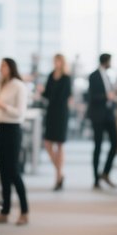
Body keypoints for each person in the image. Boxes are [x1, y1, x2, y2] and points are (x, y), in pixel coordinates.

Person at [0, 57, 29, 225]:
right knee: (3, 171)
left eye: (3, 65)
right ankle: (5, 210)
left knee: (13, 171)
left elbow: (20, 113)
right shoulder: (2, 84)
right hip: (1, 129)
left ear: (11, 67)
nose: (0, 68)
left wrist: (2, 105)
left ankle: (24, 211)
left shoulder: (19, 85)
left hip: (13, 129)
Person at [87, 53, 117, 189]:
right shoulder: (93, 76)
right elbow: (91, 97)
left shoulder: (107, 75)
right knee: (98, 146)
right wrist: (106, 96)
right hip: (98, 115)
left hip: (109, 114)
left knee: (116, 142)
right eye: (111, 61)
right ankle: (96, 179)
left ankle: (105, 172)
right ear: (106, 61)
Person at [42, 53, 72, 191]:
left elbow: (63, 96)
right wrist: (42, 92)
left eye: (58, 61)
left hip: (61, 113)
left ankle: (58, 176)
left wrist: (49, 94)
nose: (56, 63)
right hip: (51, 112)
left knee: (59, 144)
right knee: (47, 144)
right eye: (54, 61)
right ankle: (61, 173)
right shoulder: (50, 75)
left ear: (62, 62)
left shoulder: (66, 78)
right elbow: (47, 94)